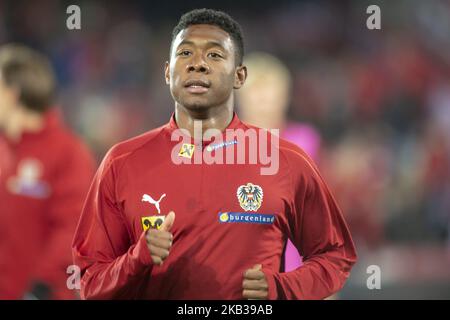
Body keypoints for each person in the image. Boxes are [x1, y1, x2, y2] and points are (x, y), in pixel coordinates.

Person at [72, 8, 357, 300]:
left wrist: (283, 288)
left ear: (239, 76)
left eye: (215, 55)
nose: (197, 64)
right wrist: (136, 260)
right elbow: (90, 283)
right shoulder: (122, 163)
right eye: (185, 54)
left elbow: (335, 255)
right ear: (168, 72)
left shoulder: (287, 160)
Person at [0, 44, 95, 299]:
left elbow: (73, 229)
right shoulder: (3, 150)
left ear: (12, 93)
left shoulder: (69, 153)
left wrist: (39, 289)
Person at [237, 52, 322, 272]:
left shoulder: (304, 140)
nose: (264, 99)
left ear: (285, 96)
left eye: (270, 91)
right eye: (256, 91)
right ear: (240, 97)